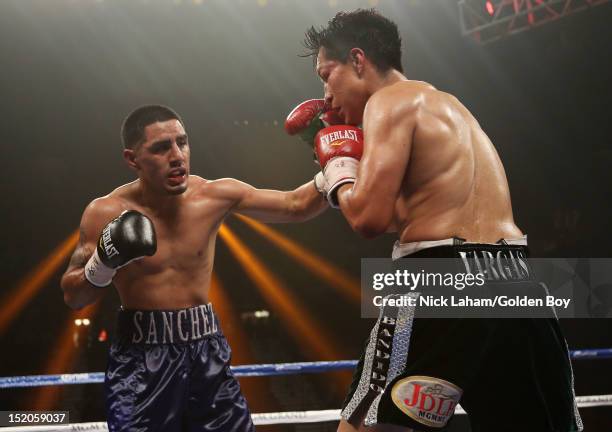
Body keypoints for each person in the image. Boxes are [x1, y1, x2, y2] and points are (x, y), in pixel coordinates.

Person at [286, 9, 583, 432]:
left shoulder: (387, 102)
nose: (326, 95)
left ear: (357, 60)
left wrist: (338, 164)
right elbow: (403, 215)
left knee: (369, 424)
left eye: (326, 74)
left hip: (441, 276)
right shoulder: (452, 108)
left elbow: (368, 219)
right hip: (517, 280)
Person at [60, 105, 328, 431]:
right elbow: (74, 297)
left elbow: (294, 206)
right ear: (133, 160)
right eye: (161, 148)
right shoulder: (104, 212)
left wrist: (335, 164)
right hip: (142, 360)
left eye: (182, 142)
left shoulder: (213, 195)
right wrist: (103, 262)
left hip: (206, 351)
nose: (177, 155)